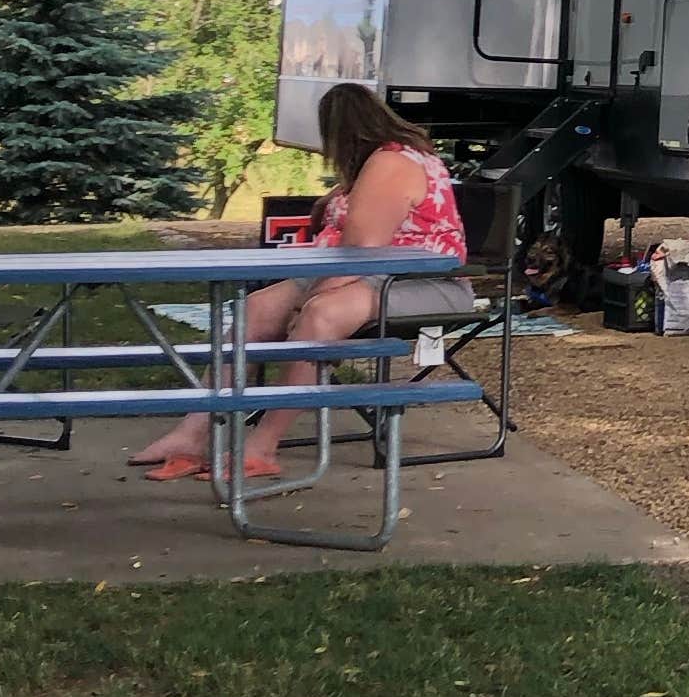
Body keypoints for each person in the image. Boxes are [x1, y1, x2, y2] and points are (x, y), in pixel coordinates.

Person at [132, 83, 465, 483]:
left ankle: (262, 446)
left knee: (320, 315)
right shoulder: (372, 165)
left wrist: (310, 299)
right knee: (255, 309)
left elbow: (365, 250)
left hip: (417, 280)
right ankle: (192, 434)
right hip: (365, 271)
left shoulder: (392, 163)